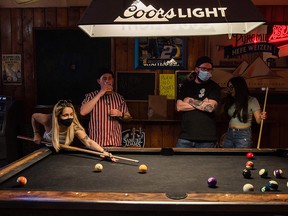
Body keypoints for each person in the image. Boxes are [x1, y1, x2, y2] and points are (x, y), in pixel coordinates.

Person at [31, 99, 117, 162]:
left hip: (63, 151)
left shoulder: (74, 127)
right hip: (47, 148)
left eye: (71, 114)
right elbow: (34, 116)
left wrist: (104, 151)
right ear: (57, 116)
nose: (69, 118)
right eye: (65, 115)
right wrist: (36, 133)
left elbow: (89, 142)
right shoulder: (48, 120)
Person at [176, 56, 220, 148]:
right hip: (186, 137)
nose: (207, 72)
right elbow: (179, 107)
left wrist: (189, 100)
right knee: (181, 162)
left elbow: (210, 108)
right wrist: (203, 103)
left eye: (209, 69)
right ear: (196, 69)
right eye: (204, 69)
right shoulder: (186, 85)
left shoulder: (214, 87)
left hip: (207, 139)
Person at [80, 68, 131, 147]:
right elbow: (83, 112)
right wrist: (100, 93)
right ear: (99, 81)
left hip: (115, 143)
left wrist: (120, 114)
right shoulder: (91, 96)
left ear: (113, 81)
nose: (107, 81)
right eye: (104, 78)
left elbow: (129, 117)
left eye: (110, 78)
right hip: (96, 143)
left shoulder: (119, 98)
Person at [222, 76, 267, 148]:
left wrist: (262, 117)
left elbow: (259, 121)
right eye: (229, 87)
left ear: (238, 87)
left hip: (243, 135)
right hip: (229, 133)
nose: (229, 90)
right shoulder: (230, 100)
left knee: (241, 158)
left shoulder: (252, 100)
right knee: (227, 157)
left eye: (231, 87)